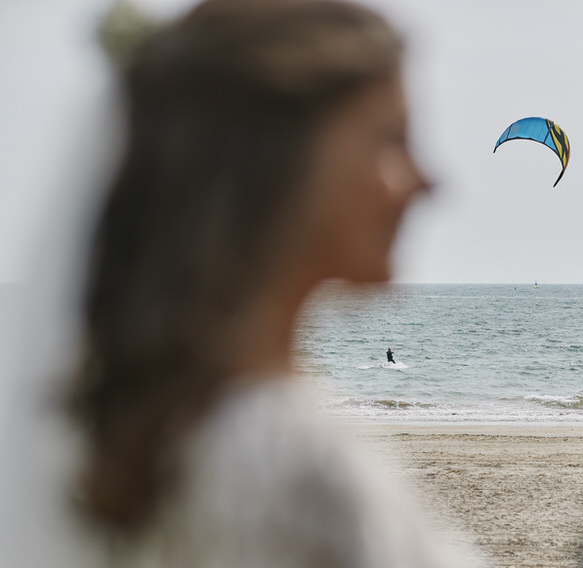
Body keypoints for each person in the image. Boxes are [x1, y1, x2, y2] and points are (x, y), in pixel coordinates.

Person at [16, 1, 475, 566]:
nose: (428, 183)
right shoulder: (286, 459)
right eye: (391, 139)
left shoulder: (163, 430)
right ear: (285, 160)